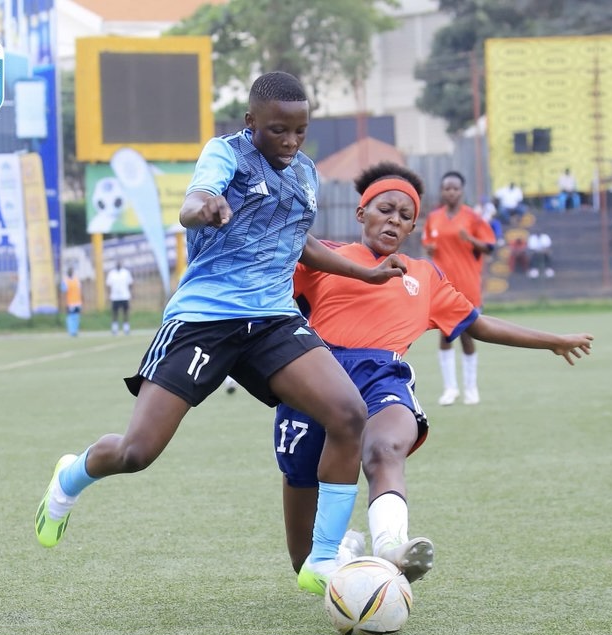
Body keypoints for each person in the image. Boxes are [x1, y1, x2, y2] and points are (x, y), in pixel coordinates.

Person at [33, 72, 408, 598]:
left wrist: (364, 272)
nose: (291, 142)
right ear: (251, 123)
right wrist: (203, 209)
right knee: (137, 452)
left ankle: (321, 560)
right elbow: (195, 200)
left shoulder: (304, 173)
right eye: (278, 130)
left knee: (348, 414)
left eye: (300, 131)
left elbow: (300, 242)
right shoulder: (225, 153)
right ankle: (71, 476)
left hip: (273, 320)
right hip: (204, 320)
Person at [273, 161, 594, 596]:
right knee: (304, 563)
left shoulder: (423, 276)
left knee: (386, 447)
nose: (394, 220)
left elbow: (477, 324)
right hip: (316, 376)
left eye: (405, 217)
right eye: (386, 209)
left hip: (381, 376)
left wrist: (551, 340)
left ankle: (391, 546)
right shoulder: (323, 259)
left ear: (412, 229)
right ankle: (345, 552)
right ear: (361, 213)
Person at [421, 171, 496, 406]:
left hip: (468, 286)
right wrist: (430, 251)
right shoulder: (434, 218)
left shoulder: (473, 218)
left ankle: (471, 388)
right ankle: (450, 388)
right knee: (446, 335)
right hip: (443, 288)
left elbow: (490, 247)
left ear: (462, 191)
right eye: (446, 188)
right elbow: (428, 245)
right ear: (442, 192)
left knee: (468, 335)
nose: (450, 192)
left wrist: (470, 239)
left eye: (454, 188)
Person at [105, 260, 134, 335]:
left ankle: (126, 328)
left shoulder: (126, 273)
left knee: (125, 313)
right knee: (115, 313)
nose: (118, 264)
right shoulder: (112, 273)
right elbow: (108, 285)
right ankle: (115, 328)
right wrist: (109, 294)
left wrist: (131, 293)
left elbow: (130, 283)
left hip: (124, 295)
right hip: (115, 296)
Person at [61, 266, 83, 337]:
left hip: (77, 301)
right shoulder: (65, 281)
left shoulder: (76, 280)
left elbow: (80, 290)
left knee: (76, 317)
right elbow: (63, 290)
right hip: (70, 302)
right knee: (70, 317)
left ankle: (75, 331)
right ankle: (71, 331)